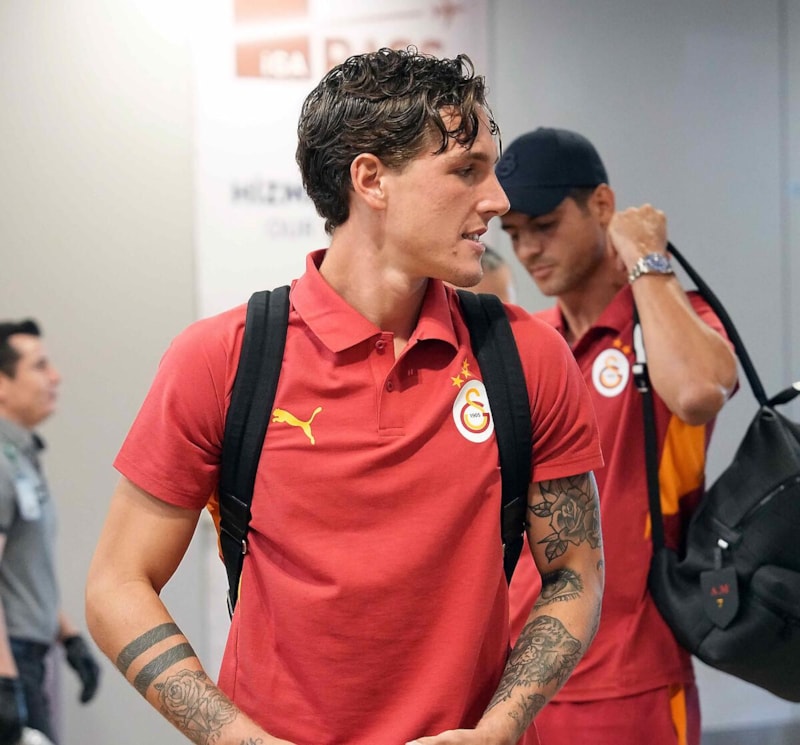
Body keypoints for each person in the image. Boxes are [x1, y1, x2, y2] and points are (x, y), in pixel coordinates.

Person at [85, 49, 605, 745]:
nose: (498, 200)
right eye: (466, 170)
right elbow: (118, 584)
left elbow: (575, 572)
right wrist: (238, 739)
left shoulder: (525, 356)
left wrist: (498, 729)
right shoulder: (224, 359)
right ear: (371, 180)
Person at [495, 127, 738, 745]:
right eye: (514, 233)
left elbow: (697, 392)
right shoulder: (528, 341)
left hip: (631, 675)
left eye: (544, 225)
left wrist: (645, 259)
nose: (527, 249)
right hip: (517, 681)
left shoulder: (673, 320)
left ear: (601, 205)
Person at [0, 320, 100, 745]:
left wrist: (68, 634)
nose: (55, 376)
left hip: (29, 652)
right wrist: (6, 684)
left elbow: (20, 567)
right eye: (39, 366)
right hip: (12, 657)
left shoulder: (20, 456)